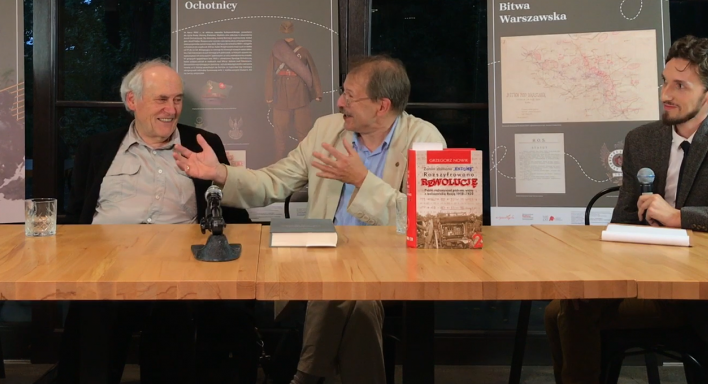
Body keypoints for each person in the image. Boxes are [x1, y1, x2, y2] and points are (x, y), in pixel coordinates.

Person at [175, 55, 447, 384]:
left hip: (390, 264)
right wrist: (219, 172)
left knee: (347, 292)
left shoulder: (425, 139)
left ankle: (305, 376)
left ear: (381, 105)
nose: (340, 101)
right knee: (353, 298)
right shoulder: (327, 130)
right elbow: (273, 182)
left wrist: (362, 180)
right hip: (326, 259)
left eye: (350, 95)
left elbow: (430, 219)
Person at [544, 35, 708, 384]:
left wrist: (679, 217)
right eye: (664, 81)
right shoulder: (642, 139)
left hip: (707, 291)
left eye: (681, 86)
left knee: (571, 311)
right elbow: (623, 222)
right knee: (567, 305)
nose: (665, 95)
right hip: (645, 276)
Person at [63, 59, 255, 384]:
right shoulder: (95, 148)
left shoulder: (202, 145)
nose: (171, 109)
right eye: (161, 99)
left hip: (178, 273)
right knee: (92, 332)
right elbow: (79, 215)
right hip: (108, 270)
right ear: (132, 101)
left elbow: (232, 214)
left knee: (176, 330)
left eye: (177, 99)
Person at [267, 20, 323, 159]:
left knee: (303, 133)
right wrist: (269, 94)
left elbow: (313, 71)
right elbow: (269, 73)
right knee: (280, 135)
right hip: (281, 96)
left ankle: (303, 163)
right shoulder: (277, 50)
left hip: (300, 96)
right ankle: (279, 162)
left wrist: (317, 92)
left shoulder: (303, 51)